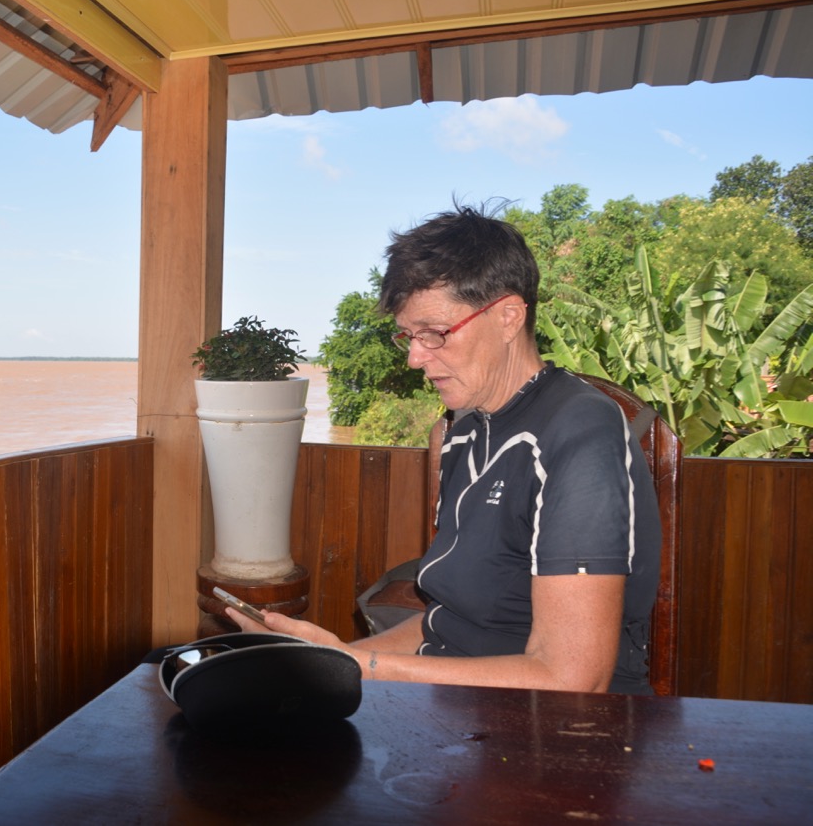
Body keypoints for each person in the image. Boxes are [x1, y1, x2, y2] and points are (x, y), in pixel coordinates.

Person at [226, 204, 662, 695]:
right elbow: (447, 625)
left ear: (508, 316)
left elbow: (573, 678)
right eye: (409, 336)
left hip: (551, 731)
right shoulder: (467, 430)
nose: (416, 358)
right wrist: (335, 658)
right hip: (453, 708)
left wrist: (357, 667)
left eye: (435, 333)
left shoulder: (579, 431)